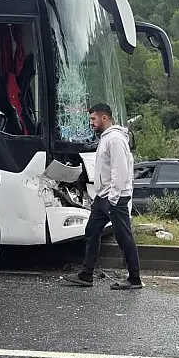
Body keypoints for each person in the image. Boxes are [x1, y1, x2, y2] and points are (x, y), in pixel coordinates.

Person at [62, 103, 143, 290]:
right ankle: (86, 274)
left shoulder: (114, 139)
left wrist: (113, 198)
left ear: (104, 118)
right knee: (91, 231)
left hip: (114, 197)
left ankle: (135, 278)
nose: (91, 123)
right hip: (103, 197)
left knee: (124, 237)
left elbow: (120, 171)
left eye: (93, 119)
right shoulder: (106, 138)